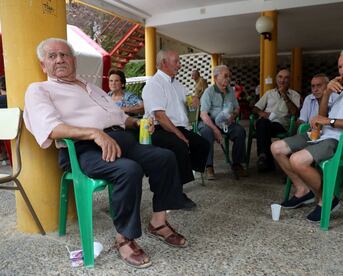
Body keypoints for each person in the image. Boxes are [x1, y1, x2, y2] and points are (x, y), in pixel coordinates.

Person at [23, 38, 188, 268]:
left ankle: (158, 223)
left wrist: (139, 122)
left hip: (120, 139)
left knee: (165, 157)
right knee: (128, 170)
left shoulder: (93, 88)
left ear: (74, 60)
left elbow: (119, 118)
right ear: (43, 65)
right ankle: (124, 238)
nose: (59, 59)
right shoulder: (40, 90)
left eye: (64, 55)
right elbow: (51, 128)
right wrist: (93, 133)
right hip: (83, 148)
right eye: (52, 56)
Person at [271, 46, 343, 222]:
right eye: (340, 66)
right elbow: (322, 116)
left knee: (297, 159)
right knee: (277, 147)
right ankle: (302, 190)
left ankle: (328, 199)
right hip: (325, 134)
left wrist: (330, 122)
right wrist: (327, 93)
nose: (342, 70)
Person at [142, 50, 209, 209]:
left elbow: (188, 102)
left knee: (202, 144)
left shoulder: (178, 84)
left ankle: (175, 178)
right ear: (164, 63)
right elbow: (159, 116)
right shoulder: (154, 84)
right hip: (159, 129)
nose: (179, 65)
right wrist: (180, 136)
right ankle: (176, 192)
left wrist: (194, 101)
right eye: (176, 61)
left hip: (178, 127)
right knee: (179, 146)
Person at [198, 65, 248, 180]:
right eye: (225, 76)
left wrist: (233, 116)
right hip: (209, 122)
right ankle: (209, 166)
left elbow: (237, 108)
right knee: (207, 132)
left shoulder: (231, 91)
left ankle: (237, 164)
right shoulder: (208, 92)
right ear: (216, 77)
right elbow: (203, 115)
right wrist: (215, 130)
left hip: (226, 123)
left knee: (240, 131)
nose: (228, 78)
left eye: (229, 76)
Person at [252, 68, 301, 172]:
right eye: (280, 77)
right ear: (276, 79)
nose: (282, 80)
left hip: (282, 125)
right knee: (262, 122)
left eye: (286, 78)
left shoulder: (295, 95)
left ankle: (265, 158)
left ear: (290, 80)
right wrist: (262, 113)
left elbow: (295, 113)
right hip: (266, 122)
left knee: (262, 126)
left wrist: (284, 96)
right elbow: (256, 108)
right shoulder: (269, 93)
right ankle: (264, 156)